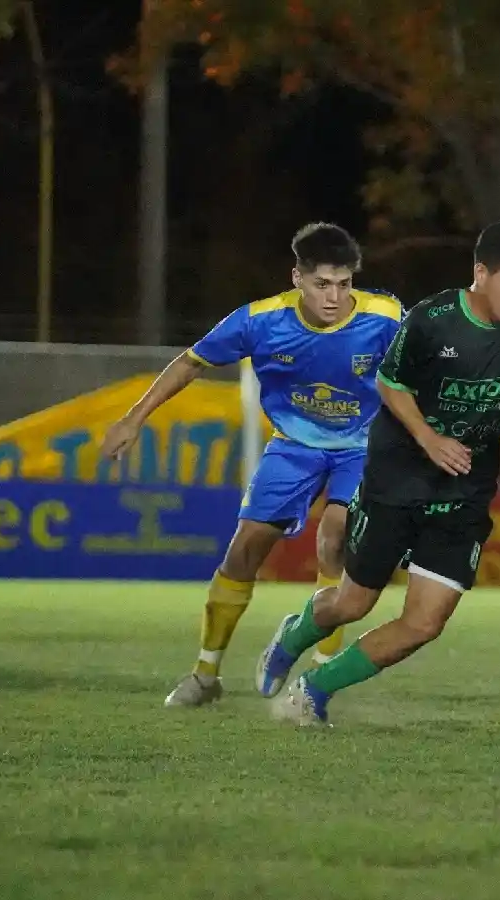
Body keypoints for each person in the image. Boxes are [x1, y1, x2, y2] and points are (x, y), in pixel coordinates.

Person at [254, 219, 500, 726]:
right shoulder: (432, 319)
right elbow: (390, 384)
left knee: (425, 622)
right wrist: (429, 438)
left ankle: (314, 690)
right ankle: (295, 634)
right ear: (480, 273)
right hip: (396, 480)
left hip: (464, 491)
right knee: (352, 603)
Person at [100, 223, 402, 707]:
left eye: (344, 284)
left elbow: (418, 374)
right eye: (322, 284)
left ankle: (318, 673)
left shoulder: (384, 316)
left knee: (336, 536)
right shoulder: (260, 321)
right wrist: (135, 418)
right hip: (292, 447)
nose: (334, 296)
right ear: (297, 278)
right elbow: (190, 362)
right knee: (244, 553)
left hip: (362, 447)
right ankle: (205, 674)